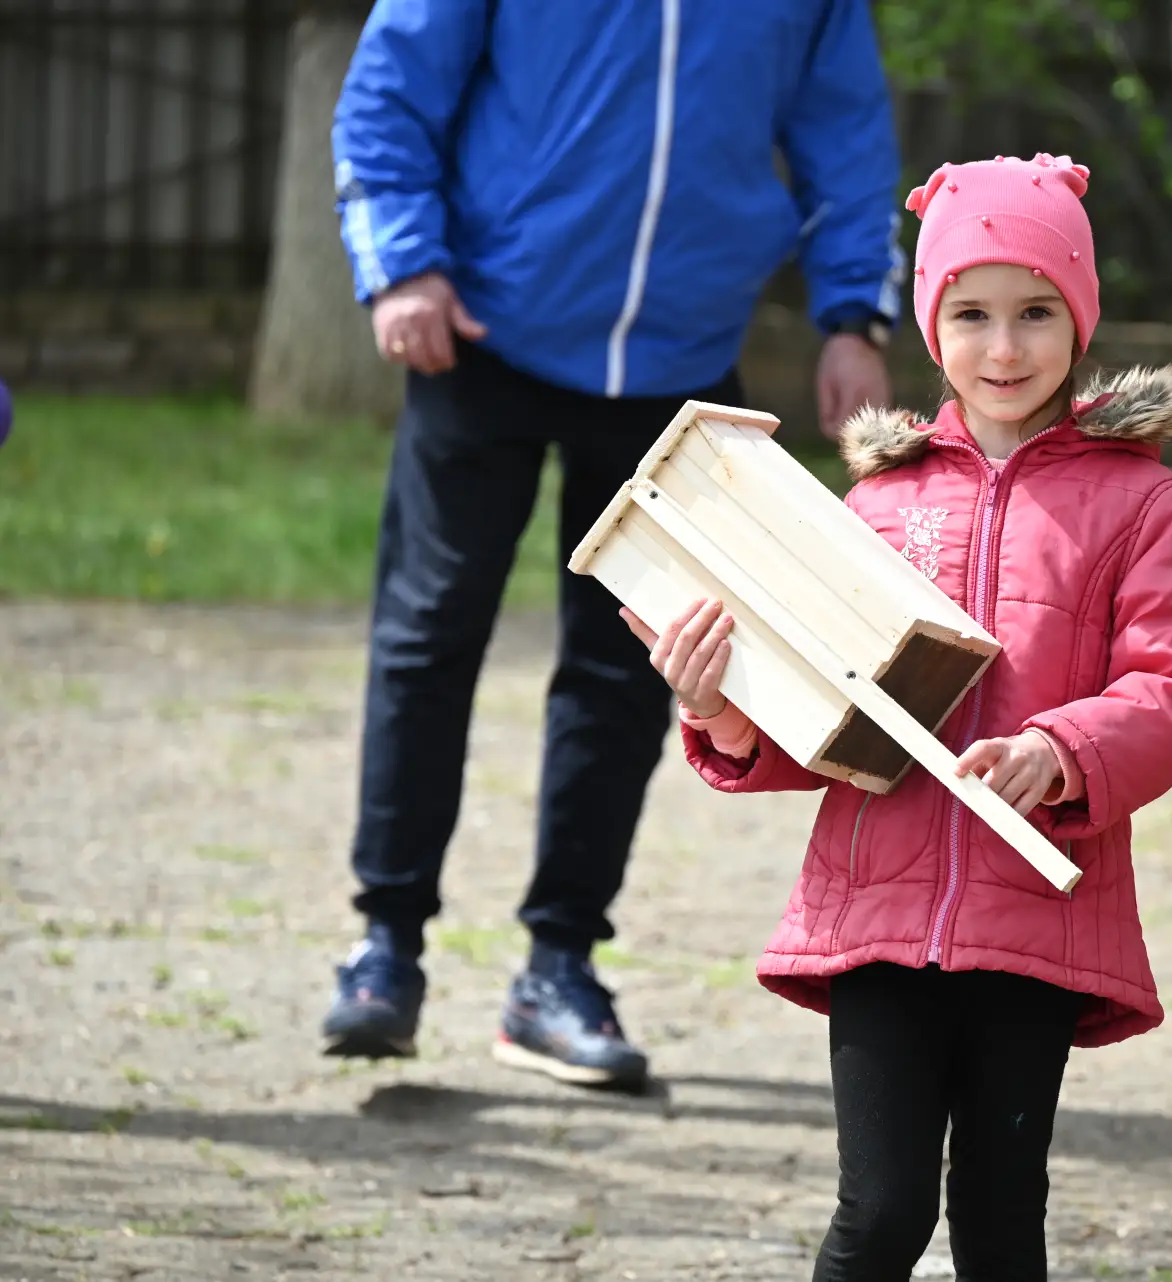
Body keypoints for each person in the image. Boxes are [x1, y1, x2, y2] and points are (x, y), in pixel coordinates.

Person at [623, 153, 1172, 1281]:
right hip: (874, 917)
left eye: (1037, 312)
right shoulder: (875, 505)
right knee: (882, 1211)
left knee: (1002, 1217)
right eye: (972, 314)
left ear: (1081, 316)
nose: (1005, 349)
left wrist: (1062, 749)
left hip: (1035, 922)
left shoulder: (1148, 505)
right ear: (931, 322)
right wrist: (723, 708)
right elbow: (821, 720)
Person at [319, 0, 904, 1091]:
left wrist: (851, 317)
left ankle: (559, 969)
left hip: (679, 359)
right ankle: (384, 947)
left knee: (633, 664)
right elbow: (390, 89)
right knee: (430, 633)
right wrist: (402, 261)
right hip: (483, 333)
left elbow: (847, 130)